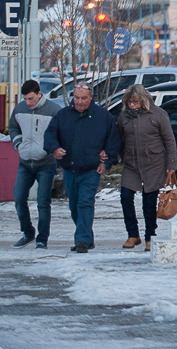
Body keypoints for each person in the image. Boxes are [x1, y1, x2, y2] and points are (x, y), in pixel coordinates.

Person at [43, 82, 119, 253]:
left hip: (91, 169)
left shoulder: (103, 117)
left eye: (84, 98)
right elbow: (50, 133)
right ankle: (87, 237)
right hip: (69, 168)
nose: (79, 101)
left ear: (91, 97)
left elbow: (113, 142)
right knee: (74, 206)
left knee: (85, 203)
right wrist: (54, 148)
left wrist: (106, 163)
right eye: (76, 97)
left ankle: (82, 240)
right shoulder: (63, 115)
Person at [116, 83, 177, 252]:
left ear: (143, 100)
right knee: (125, 197)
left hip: (154, 163)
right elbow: (119, 138)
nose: (132, 105)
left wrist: (171, 163)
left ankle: (150, 235)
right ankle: (132, 234)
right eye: (129, 102)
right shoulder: (124, 116)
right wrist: (119, 156)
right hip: (131, 163)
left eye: (135, 102)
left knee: (149, 202)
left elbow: (169, 140)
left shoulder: (158, 114)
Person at [9, 79, 62, 249]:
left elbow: (61, 133)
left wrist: (51, 149)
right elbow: (13, 127)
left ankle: (42, 239)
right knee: (19, 198)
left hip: (46, 163)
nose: (28, 102)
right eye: (25, 99)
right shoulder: (19, 109)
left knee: (43, 202)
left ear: (39, 94)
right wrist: (18, 144)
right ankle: (28, 232)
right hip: (25, 162)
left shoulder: (54, 110)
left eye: (31, 98)